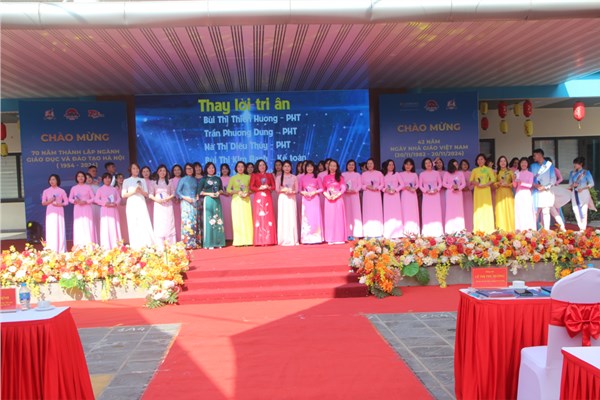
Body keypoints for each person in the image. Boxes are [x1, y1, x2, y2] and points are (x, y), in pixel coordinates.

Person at [530, 148, 565, 230]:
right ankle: (532, 230)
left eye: (535, 155)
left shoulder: (549, 166)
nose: (533, 157)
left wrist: (545, 187)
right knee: (535, 211)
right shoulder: (532, 166)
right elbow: (530, 178)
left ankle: (546, 230)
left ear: (540, 155)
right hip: (536, 192)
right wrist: (535, 185)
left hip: (546, 191)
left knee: (546, 211)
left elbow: (553, 179)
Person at [121, 163, 155, 249]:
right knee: (133, 223)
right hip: (131, 204)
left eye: (137, 168)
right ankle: (135, 245)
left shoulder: (142, 180)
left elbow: (146, 194)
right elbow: (123, 195)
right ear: (130, 170)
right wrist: (134, 191)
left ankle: (146, 244)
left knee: (143, 222)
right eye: (134, 168)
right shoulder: (126, 181)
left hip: (141, 202)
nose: (136, 170)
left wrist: (140, 191)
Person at [198, 162, 225, 249]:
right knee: (209, 221)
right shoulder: (203, 179)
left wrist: (218, 192)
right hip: (208, 200)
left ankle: (219, 242)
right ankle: (209, 243)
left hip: (217, 200)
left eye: (213, 167)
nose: (211, 169)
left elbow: (221, 190)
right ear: (206, 169)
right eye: (209, 168)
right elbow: (199, 192)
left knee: (218, 220)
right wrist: (210, 194)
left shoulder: (218, 179)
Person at [250, 159, 277, 246]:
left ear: (266, 166)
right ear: (257, 167)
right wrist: (259, 188)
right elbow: (251, 187)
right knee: (259, 217)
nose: (262, 166)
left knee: (268, 217)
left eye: (263, 165)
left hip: (268, 197)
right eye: (260, 165)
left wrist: (268, 187)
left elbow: (274, 187)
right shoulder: (254, 175)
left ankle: (269, 239)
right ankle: (259, 240)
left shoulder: (269, 175)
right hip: (258, 197)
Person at [227, 161, 253, 246]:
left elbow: (252, 189)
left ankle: (248, 240)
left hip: (246, 199)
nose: (240, 168)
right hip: (236, 200)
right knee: (237, 220)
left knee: (247, 219)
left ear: (244, 168)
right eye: (239, 166)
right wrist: (237, 192)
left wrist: (247, 193)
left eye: (242, 166)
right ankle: (238, 241)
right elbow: (228, 190)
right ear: (236, 168)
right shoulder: (233, 178)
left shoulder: (248, 177)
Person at [150, 164, 176, 248]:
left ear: (166, 172)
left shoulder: (170, 182)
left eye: (164, 170)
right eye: (160, 170)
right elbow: (150, 194)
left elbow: (173, 193)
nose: (162, 172)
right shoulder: (153, 182)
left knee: (169, 222)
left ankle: (170, 244)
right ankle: (160, 245)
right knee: (159, 223)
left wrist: (168, 198)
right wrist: (157, 200)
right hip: (158, 205)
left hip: (168, 204)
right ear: (157, 172)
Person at [94, 173, 122, 249]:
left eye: (109, 178)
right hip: (105, 210)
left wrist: (115, 203)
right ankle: (106, 246)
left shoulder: (114, 189)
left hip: (113, 209)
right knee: (106, 227)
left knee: (114, 225)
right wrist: (105, 203)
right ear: (103, 180)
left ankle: (116, 245)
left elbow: (119, 198)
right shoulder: (100, 189)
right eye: (105, 178)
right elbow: (96, 199)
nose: (107, 179)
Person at [69, 170, 97, 247]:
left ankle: (89, 245)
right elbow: (70, 199)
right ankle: (79, 246)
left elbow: (93, 198)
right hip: (78, 208)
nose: (80, 178)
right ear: (76, 178)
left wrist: (86, 201)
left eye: (82, 176)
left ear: (84, 178)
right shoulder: (74, 188)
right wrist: (75, 201)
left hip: (87, 208)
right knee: (79, 225)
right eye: (79, 176)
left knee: (87, 224)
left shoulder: (88, 187)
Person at [41, 174, 68, 253]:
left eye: (53, 179)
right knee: (51, 228)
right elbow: (43, 203)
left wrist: (60, 204)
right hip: (50, 211)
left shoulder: (61, 191)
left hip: (59, 210)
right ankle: (51, 248)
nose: (51, 181)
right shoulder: (46, 191)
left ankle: (61, 248)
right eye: (50, 180)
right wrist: (50, 200)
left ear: (57, 180)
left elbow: (66, 202)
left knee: (59, 228)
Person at [470, 153, 496, 234]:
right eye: (478, 159)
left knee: (486, 207)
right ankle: (478, 228)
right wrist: (476, 183)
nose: (480, 161)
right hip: (477, 191)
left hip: (486, 191)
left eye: (481, 159)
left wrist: (486, 184)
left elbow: (493, 179)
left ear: (485, 160)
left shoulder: (488, 169)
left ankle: (488, 228)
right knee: (478, 208)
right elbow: (471, 180)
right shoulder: (474, 170)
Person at [299, 161, 324, 244]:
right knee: (306, 218)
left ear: (314, 168)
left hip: (315, 199)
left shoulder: (317, 177)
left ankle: (316, 238)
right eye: (308, 166)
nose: (309, 168)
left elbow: (322, 189)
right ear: (305, 168)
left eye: (311, 166)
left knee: (315, 217)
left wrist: (315, 192)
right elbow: (299, 189)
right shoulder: (302, 178)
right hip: (306, 200)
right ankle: (306, 238)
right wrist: (304, 193)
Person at [322, 159, 347, 244]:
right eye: (331, 165)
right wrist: (327, 196)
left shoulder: (340, 177)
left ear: (337, 167)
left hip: (338, 199)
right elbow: (323, 189)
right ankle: (330, 238)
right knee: (330, 219)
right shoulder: (325, 177)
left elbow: (343, 188)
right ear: (328, 167)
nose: (332, 167)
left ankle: (339, 238)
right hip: (329, 200)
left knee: (338, 218)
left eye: (334, 166)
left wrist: (337, 195)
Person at [568, 156, 596, 231]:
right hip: (575, 193)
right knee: (575, 209)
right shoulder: (572, 173)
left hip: (583, 192)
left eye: (576, 163)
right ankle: (580, 226)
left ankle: (582, 228)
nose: (574, 165)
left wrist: (583, 188)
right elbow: (570, 184)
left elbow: (591, 183)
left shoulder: (586, 172)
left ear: (581, 164)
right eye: (574, 163)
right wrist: (572, 185)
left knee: (584, 210)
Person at [177, 163, 201, 249]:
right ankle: (187, 243)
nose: (189, 170)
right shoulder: (183, 179)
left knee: (194, 222)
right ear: (185, 170)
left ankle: (194, 243)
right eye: (187, 169)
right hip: (185, 203)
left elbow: (197, 190)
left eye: (191, 168)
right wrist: (185, 198)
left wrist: (197, 195)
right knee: (187, 222)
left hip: (194, 203)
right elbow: (178, 191)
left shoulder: (194, 180)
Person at [276, 160, 299, 246]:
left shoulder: (294, 177)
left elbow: (297, 190)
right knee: (283, 218)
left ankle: (293, 238)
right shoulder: (279, 177)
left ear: (291, 167)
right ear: (282, 168)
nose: (287, 168)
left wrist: (291, 191)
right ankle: (283, 238)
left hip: (291, 198)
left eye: (288, 166)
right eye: (285, 166)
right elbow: (277, 189)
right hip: (283, 199)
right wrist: (284, 190)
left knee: (291, 217)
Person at [419, 158, 444, 237]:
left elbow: (440, 183)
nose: (428, 164)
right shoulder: (422, 174)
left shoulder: (436, 173)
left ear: (432, 163)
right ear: (424, 165)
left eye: (429, 162)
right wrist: (426, 191)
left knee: (436, 213)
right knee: (427, 213)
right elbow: (420, 186)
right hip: (427, 196)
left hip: (435, 196)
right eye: (426, 163)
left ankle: (438, 232)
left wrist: (437, 189)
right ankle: (427, 232)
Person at [361, 158, 384, 237]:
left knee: (377, 212)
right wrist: (367, 186)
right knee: (368, 212)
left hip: (376, 195)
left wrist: (377, 188)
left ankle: (378, 232)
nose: (369, 165)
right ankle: (368, 233)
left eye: (371, 163)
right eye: (368, 163)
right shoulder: (364, 174)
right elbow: (361, 185)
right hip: (367, 196)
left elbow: (382, 184)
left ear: (374, 164)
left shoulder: (379, 173)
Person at [382, 159, 404, 239]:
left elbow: (402, 184)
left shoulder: (397, 174)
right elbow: (381, 186)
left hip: (395, 196)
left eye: (392, 164)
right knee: (388, 214)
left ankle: (398, 233)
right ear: (386, 166)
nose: (391, 166)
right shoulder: (383, 175)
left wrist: (396, 190)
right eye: (389, 165)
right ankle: (388, 233)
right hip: (387, 197)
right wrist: (385, 190)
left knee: (396, 214)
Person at [443, 159, 466, 234]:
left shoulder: (460, 173)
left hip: (458, 194)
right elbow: (444, 183)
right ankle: (449, 230)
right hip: (450, 194)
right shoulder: (447, 173)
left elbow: (464, 184)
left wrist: (458, 188)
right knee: (450, 211)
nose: (456, 166)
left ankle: (460, 230)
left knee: (459, 211)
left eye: (457, 164)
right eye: (454, 164)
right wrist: (451, 186)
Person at [513, 157, 536, 231]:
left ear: (527, 164)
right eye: (522, 162)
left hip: (526, 194)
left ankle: (528, 229)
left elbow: (530, 185)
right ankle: (519, 229)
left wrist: (521, 182)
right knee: (519, 211)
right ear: (520, 164)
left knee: (527, 211)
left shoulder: (530, 174)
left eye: (525, 163)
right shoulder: (517, 173)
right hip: (519, 194)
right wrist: (514, 179)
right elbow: (514, 186)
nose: (523, 164)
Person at [342, 159, 363, 239]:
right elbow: (341, 185)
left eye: (352, 165)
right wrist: (345, 190)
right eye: (349, 164)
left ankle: (356, 233)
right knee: (347, 214)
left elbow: (360, 185)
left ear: (355, 166)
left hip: (354, 196)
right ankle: (347, 233)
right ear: (347, 166)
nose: (351, 166)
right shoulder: (343, 174)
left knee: (355, 213)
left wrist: (355, 190)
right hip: (346, 196)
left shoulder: (357, 175)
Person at [399, 158, 420, 236]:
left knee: (413, 211)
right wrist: (405, 187)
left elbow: (417, 185)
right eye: (406, 164)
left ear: (412, 166)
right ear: (404, 165)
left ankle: (414, 231)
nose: (408, 166)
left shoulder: (414, 175)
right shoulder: (400, 174)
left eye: (410, 164)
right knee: (405, 211)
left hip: (412, 195)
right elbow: (399, 185)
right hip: (404, 195)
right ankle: (405, 231)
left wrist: (414, 188)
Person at [494, 156, 515, 232]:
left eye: (504, 161)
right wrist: (498, 183)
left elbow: (514, 183)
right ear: (498, 163)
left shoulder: (510, 172)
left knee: (509, 210)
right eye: (501, 161)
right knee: (500, 210)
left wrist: (508, 185)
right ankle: (501, 229)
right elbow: (494, 184)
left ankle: (510, 229)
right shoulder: (497, 173)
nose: (503, 163)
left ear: (506, 162)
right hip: (499, 193)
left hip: (508, 193)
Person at [220, 163, 233, 242]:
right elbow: (218, 189)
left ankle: (231, 235)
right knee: (223, 216)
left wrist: (230, 192)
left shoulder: (232, 178)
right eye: (223, 169)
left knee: (230, 216)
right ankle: (223, 236)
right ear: (221, 170)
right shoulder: (219, 179)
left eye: (226, 168)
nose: (224, 170)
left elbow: (235, 188)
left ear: (228, 170)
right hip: (222, 199)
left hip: (230, 199)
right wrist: (224, 193)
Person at [460, 159, 474, 232]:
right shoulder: (459, 173)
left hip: (468, 193)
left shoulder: (471, 173)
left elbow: (474, 183)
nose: (464, 165)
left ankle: (470, 228)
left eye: (466, 164)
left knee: (469, 211)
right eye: (463, 164)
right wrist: (461, 188)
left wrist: (469, 188)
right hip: (460, 194)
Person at [114, 173, 129, 244]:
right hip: (118, 207)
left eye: (122, 177)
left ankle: (127, 239)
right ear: (116, 179)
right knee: (120, 223)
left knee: (126, 223)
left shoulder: (127, 187)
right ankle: (120, 239)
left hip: (126, 206)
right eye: (119, 178)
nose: (121, 179)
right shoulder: (114, 188)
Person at [170, 164, 183, 242]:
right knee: (174, 221)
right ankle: (176, 239)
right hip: (173, 203)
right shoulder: (170, 181)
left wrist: (180, 199)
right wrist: (174, 199)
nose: (177, 171)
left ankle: (183, 238)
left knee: (182, 220)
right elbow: (169, 192)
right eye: (175, 170)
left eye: (178, 169)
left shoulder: (184, 179)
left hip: (183, 202)